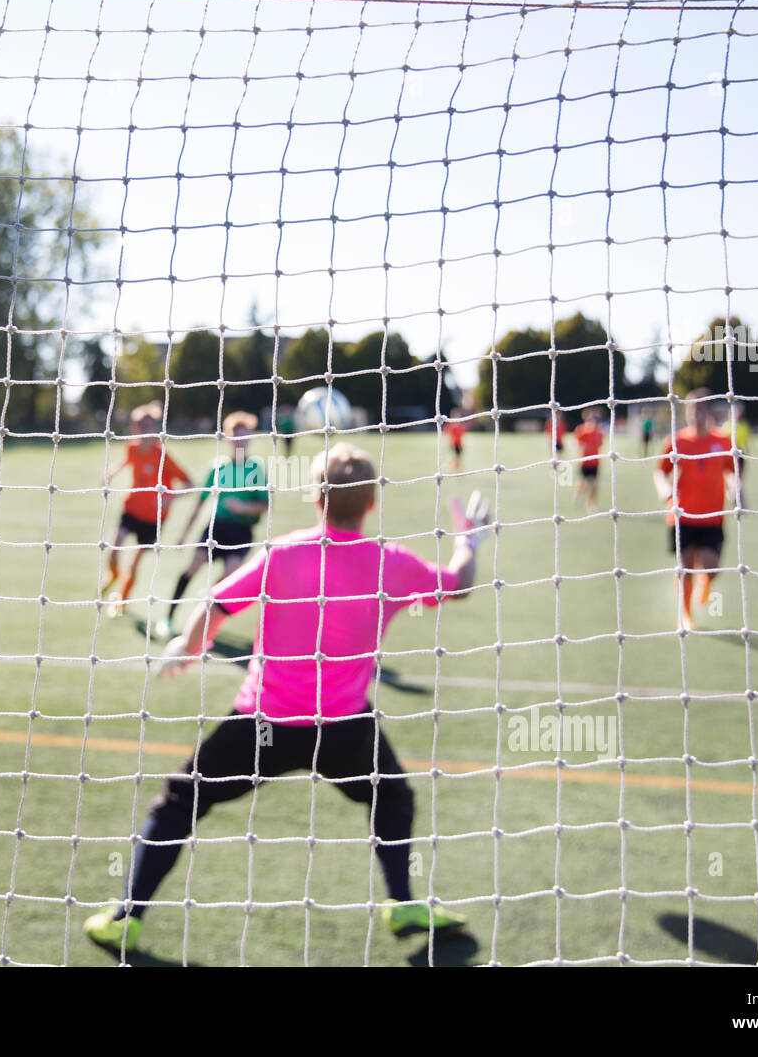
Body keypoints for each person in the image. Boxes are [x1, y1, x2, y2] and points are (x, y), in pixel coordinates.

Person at [83, 443, 490, 954]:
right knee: (393, 797)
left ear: (316, 499)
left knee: (179, 804)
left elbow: (214, 604)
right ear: (369, 503)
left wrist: (186, 648)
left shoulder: (283, 552)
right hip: (343, 729)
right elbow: (460, 584)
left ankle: (126, 917)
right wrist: (470, 540)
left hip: (264, 725)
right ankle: (403, 900)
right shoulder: (389, 562)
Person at [161, 411, 268, 637]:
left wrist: (242, 507)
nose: (241, 440)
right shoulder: (217, 467)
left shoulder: (256, 468)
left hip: (241, 531)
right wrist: (183, 534)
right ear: (229, 438)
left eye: (246, 436)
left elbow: (264, 504)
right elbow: (200, 503)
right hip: (216, 527)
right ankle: (168, 618)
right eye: (237, 436)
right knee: (193, 566)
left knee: (230, 578)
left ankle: (204, 618)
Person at [653, 391, 740, 631]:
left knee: (711, 568)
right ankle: (685, 614)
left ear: (710, 413)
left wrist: (735, 489)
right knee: (685, 565)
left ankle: (707, 582)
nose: (696, 415)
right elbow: (660, 471)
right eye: (692, 411)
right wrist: (664, 489)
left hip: (712, 515)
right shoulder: (676, 441)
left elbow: (732, 471)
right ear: (686, 413)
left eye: (701, 410)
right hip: (681, 514)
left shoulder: (723, 441)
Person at [102, 401, 191, 617]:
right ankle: (113, 575)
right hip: (131, 509)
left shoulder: (163, 456)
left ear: (155, 428)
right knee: (113, 549)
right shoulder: (132, 447)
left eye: (149, 426)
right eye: (140, 425)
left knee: (133, 564)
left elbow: (188, 483)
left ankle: (121, 601)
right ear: (134, 428)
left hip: (153, 518)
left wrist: (170, 498)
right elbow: (128, 460)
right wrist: (112, 471)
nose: (144, 430)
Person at [572, 407, 605, 512]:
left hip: (595, 462)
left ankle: (591, 504)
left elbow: (600, 444)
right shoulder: (581, 430)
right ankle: (578, 494)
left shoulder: (599, 432)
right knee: (583, 482)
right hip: (584, 461)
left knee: (594, 485)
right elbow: (576, 443)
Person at [722, 403, 751, 507]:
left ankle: (738, 498)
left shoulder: (744, 426)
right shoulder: (726, 426)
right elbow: (723, 441)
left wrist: (748, 452)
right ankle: (734, 496)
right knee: (729, 476)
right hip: (729, 454)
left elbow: (746, 440)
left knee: (738, 478)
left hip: (740, 454)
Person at [444, 407, 468, 472]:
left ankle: (453, 468)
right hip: (454, 444)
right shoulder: (451, 425)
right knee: (457, 458)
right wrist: (450, 443)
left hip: (459, 444)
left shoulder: (460, 425)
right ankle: (451, 468)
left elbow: (463, 434)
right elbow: (448, 435)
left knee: (457, 458)